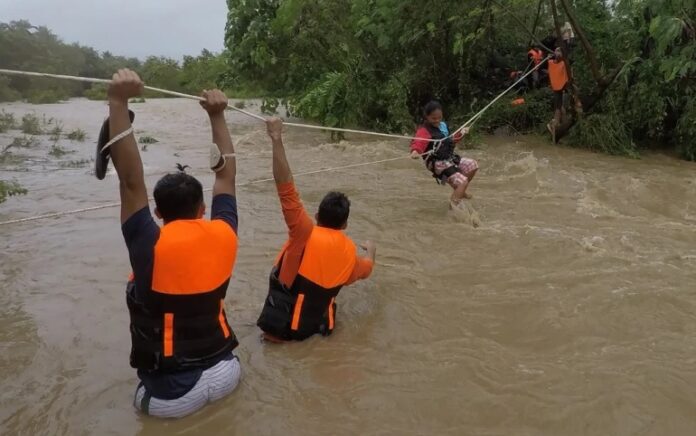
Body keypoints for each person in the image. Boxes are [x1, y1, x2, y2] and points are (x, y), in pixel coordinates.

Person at [103, 69, 241, 418]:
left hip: (173, 394)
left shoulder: (150, 244)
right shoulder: (225, 232)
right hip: (226, 372)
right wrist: (217, 115)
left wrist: (118, 102)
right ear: (203, 208)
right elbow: (226, 173)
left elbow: (131, 183)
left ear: (158, 212)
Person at [256, 117, 376, 342]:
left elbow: (285, 187)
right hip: (318, 335)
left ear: (317, 216)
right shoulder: (350, 253)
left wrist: (276, 138)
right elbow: (366, 269)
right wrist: (371, 250)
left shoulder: (303, 232)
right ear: (345, 225)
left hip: (278, 337)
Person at [409, 101, 478, 203]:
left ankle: (459, 191)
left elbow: (451, 140)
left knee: (473, 165)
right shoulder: (424, 130)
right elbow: (418, 142)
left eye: (439, 117)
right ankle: (453, 211)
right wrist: (415, 151)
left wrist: (461, 133)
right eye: (433, 118)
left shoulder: (443, 126)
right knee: (463, 182)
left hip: (449, 158)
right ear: (427, 117)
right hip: (437, 164)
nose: (437, 120)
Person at [547, 47, 570, 143]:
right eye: (557, 51)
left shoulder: (564, 63)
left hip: (564, 88)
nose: (558, 53)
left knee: (560, 108)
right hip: (556, 88)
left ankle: (559, 125)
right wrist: (549, 57)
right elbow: (551, 63)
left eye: (560, 51)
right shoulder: (551, 62)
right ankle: (558, 125)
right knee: (559, 107)